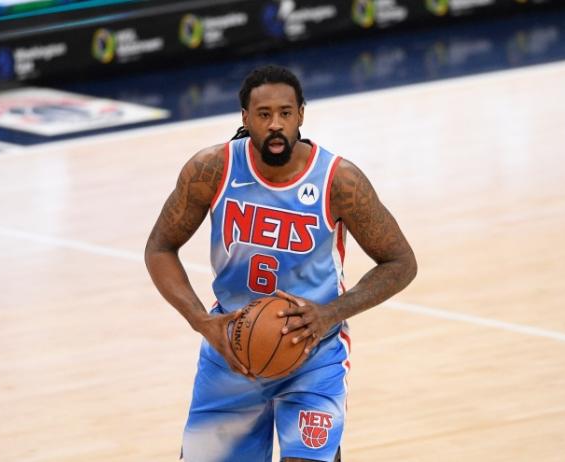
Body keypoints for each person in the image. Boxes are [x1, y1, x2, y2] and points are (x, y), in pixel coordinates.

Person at [145, 65, 417, 462]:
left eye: (285, 113)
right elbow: (160, 248)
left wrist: (330, 313)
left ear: (301, 115)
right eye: (264, 114)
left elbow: (400, 262)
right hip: (231, 346)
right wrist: (201, 321)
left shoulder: (339, 181)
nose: (275, 124)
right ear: (245, 118)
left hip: (313, 351)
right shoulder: (212, 169)